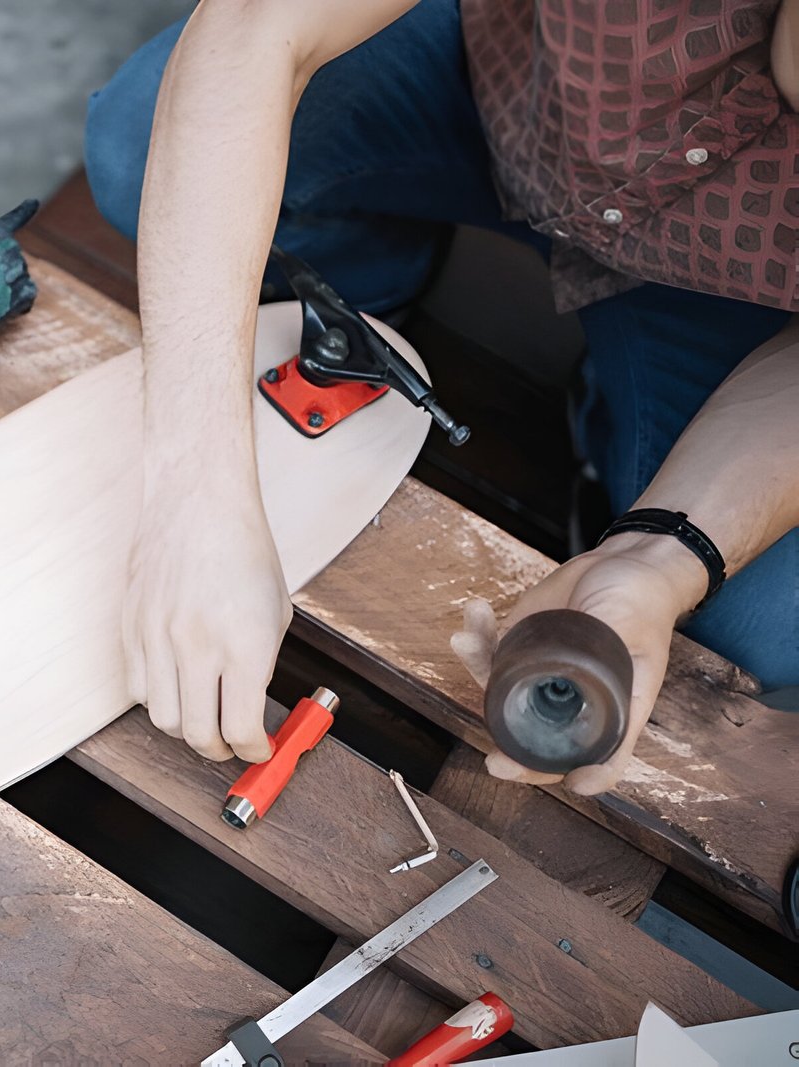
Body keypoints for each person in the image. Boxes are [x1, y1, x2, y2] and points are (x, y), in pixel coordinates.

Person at [84, 0, 798, 794]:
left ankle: (611, 438)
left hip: (731, 291)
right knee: (145, 136)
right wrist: (195, 494)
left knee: (759, 632)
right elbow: (252, 29)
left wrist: (660, 556)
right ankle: (368, 311)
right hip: (514, 88)